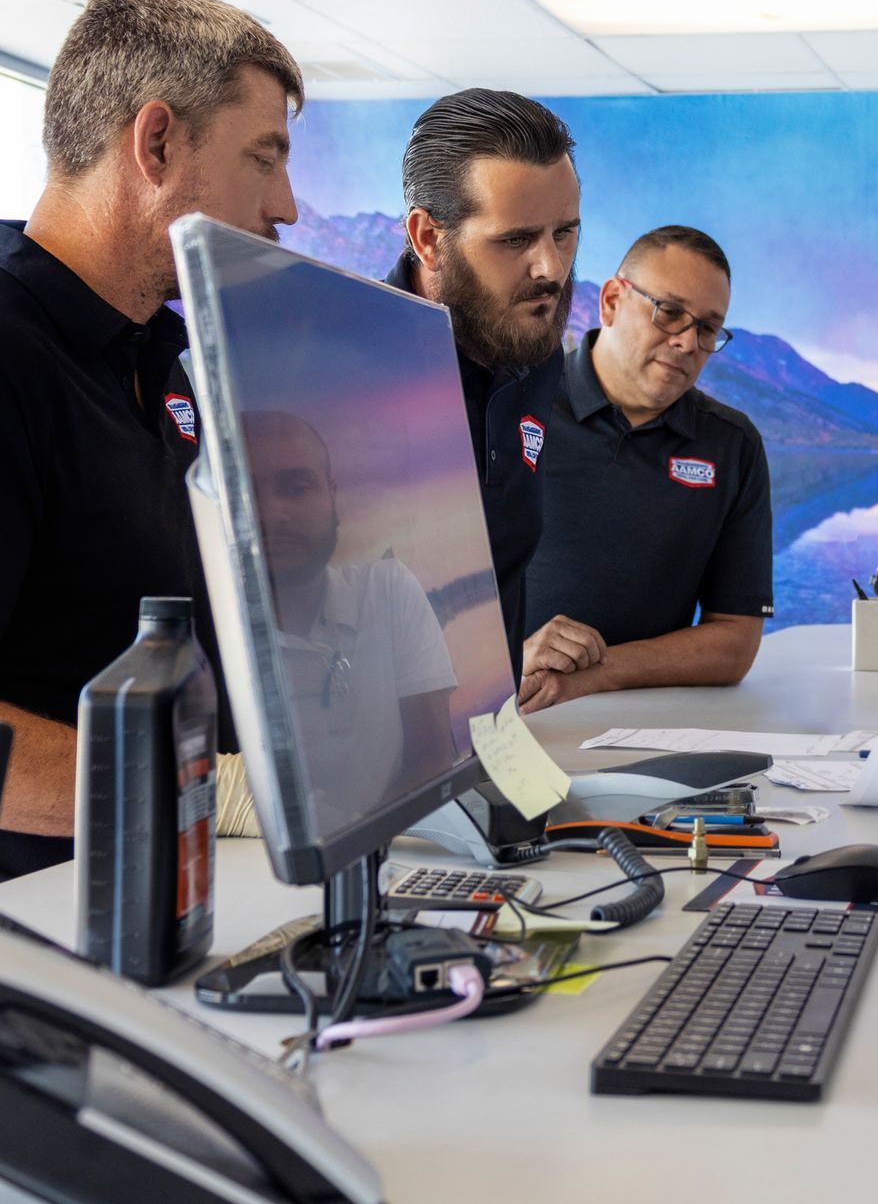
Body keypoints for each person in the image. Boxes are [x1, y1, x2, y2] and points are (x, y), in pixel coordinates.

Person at [0, 0, 301, 882]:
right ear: (156, 142)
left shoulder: (150, 362)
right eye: (264, 158)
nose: (288, 205)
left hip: (139, 910)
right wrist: (211, 791)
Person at [521, 226, 771, 714]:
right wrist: (512, 658)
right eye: (670, 312)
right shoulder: (515, 408)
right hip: (512, 712)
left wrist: (597, 673)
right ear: (612, 301)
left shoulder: (732, 446)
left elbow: (736, 640)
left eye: (707, 328)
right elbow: (427, 601)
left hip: (653, 722)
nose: (687, 342)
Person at [385, 89, 579, 681]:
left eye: (565, 232)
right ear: (427, 239)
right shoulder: (347, 371)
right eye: (516, 240)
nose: (550, 268)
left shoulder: (536, 352)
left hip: (493, 740)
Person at [243, 412, 456, 826]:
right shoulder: (207, 632)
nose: (271, 513)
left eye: (296, 486)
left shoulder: (387, 589)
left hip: (395, 851)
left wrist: (361, 850)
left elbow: (434, 757)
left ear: (331, 496)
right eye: (248, 492)